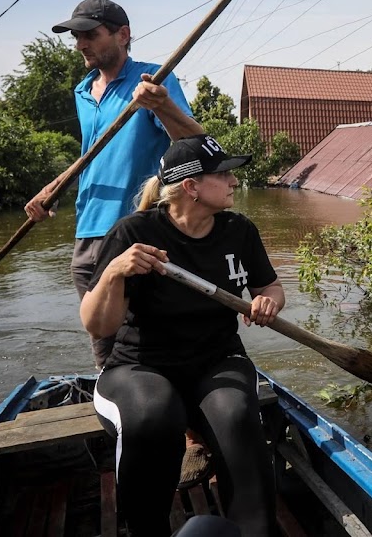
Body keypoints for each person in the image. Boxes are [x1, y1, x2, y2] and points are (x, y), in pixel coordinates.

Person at [82, 134, 284, 536]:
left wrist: (268, 303)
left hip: (217, 359)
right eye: (223, 174)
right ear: (191, 187)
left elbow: (271, 288)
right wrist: (114, 272)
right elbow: (97, 325)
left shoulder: (238, 230)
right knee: (153, 417)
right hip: (140, 365)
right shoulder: (132, 232)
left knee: (239, 415)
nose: (234, 182)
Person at [25, 0, 203, 368]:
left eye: (90, 34)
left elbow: (196, 145)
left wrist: (162, 106)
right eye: (76, 37)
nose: (80, 45)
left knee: (154, 338)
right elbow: (93, 155)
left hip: (140, 230)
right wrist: (53, 189)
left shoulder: (154, 80)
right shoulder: (82, 91)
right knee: (104, 343)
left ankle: (177, 414)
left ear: (123, 35)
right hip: (88, 234)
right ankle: (116, 411)